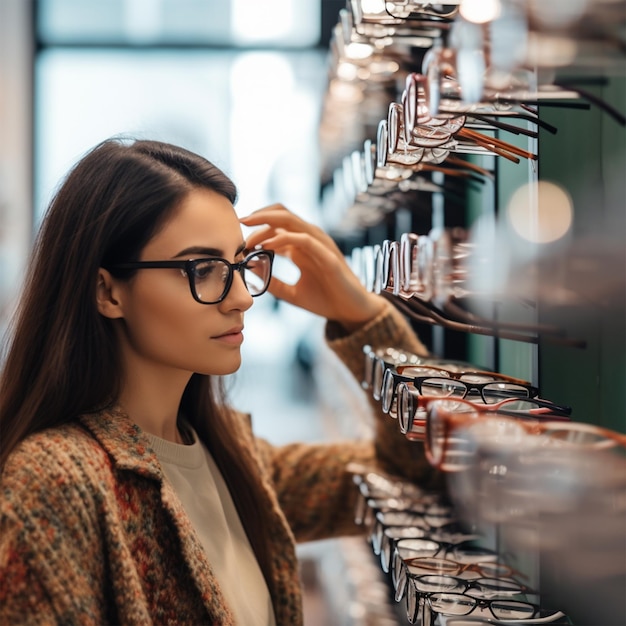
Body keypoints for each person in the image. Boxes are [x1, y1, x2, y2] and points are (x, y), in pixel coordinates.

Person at [0, 138, 439, 625]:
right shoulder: (55, 481)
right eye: (203, 269)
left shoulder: (233, 458)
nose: (242, 298)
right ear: (107, 291)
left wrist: (360, 314)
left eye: (240, 264)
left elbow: (414, 465)